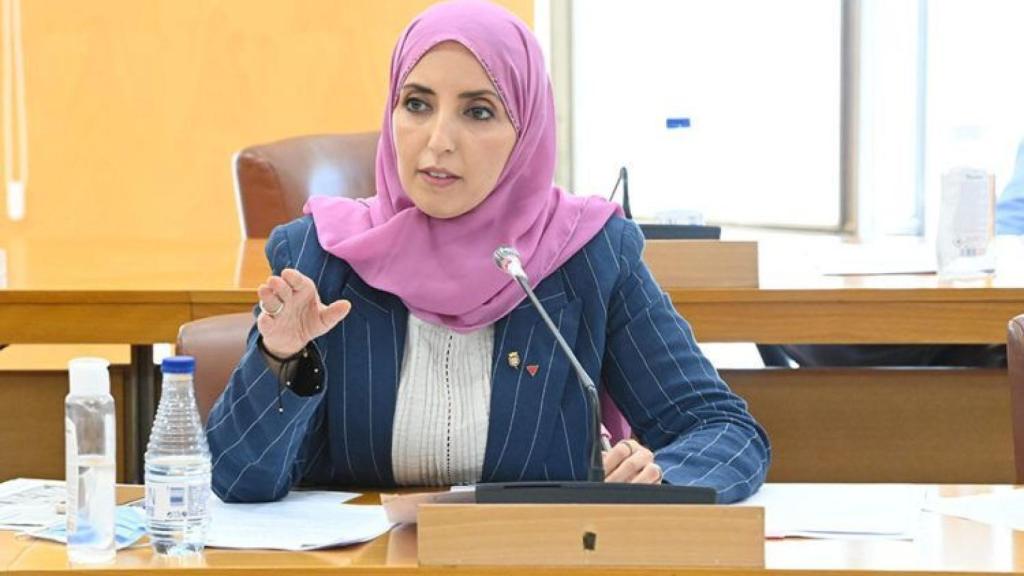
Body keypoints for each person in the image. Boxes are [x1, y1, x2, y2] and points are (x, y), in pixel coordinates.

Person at [207, 0, 769, 504]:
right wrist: (280, 359)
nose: (438, 141)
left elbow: (722, 429)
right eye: (417, 104)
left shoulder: (591, 256)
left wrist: (656, 481)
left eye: (478, 111)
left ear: (526, 130)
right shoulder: (324, 253)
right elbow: (237, 478)